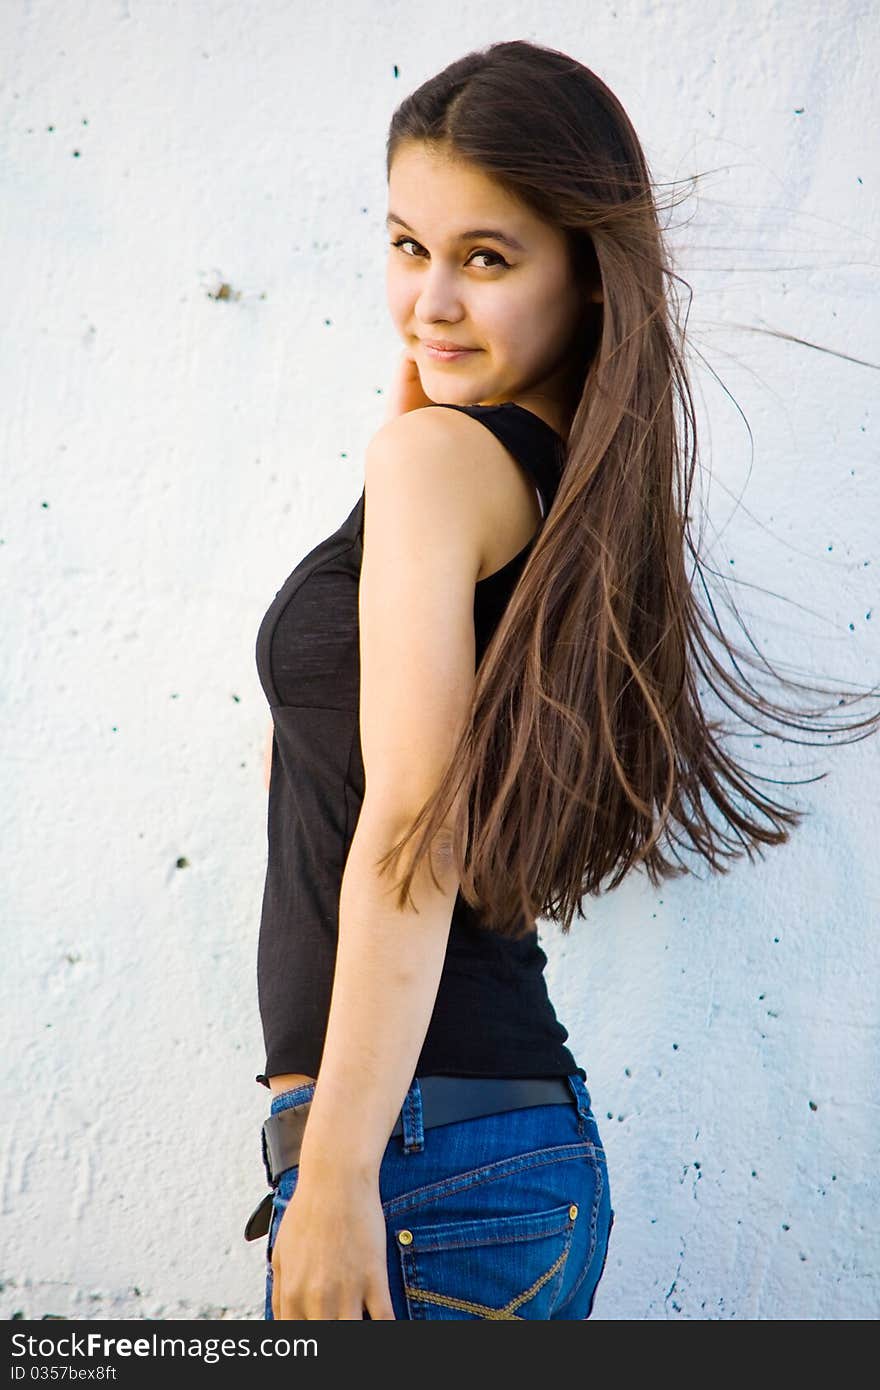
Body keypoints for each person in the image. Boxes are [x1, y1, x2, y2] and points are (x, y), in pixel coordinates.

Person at [245, 39, 880, 1321]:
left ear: (588, 280)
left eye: (486, 257)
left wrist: (334, 1178)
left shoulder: (441, 471)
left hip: (411, 1157)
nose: (428, 301)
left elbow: (416, 830)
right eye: (407, 245)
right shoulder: (544, 483)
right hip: (482, 1146)